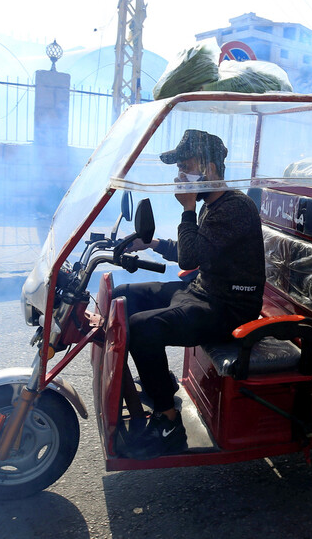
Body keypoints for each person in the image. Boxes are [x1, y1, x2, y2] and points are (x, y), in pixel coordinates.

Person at [112, 129, 266, 459]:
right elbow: (196, 250)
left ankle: (168, 422)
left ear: (209, 168)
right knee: (124, 295)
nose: (179, 176)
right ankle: (160, 384)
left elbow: (190, 257)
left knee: (141, 327)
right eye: (179, 168)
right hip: (204, 291)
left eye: (186, 167)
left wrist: (186, 209)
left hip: (229, 308)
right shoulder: (213, 204)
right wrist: (152, 244)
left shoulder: (235, 207)